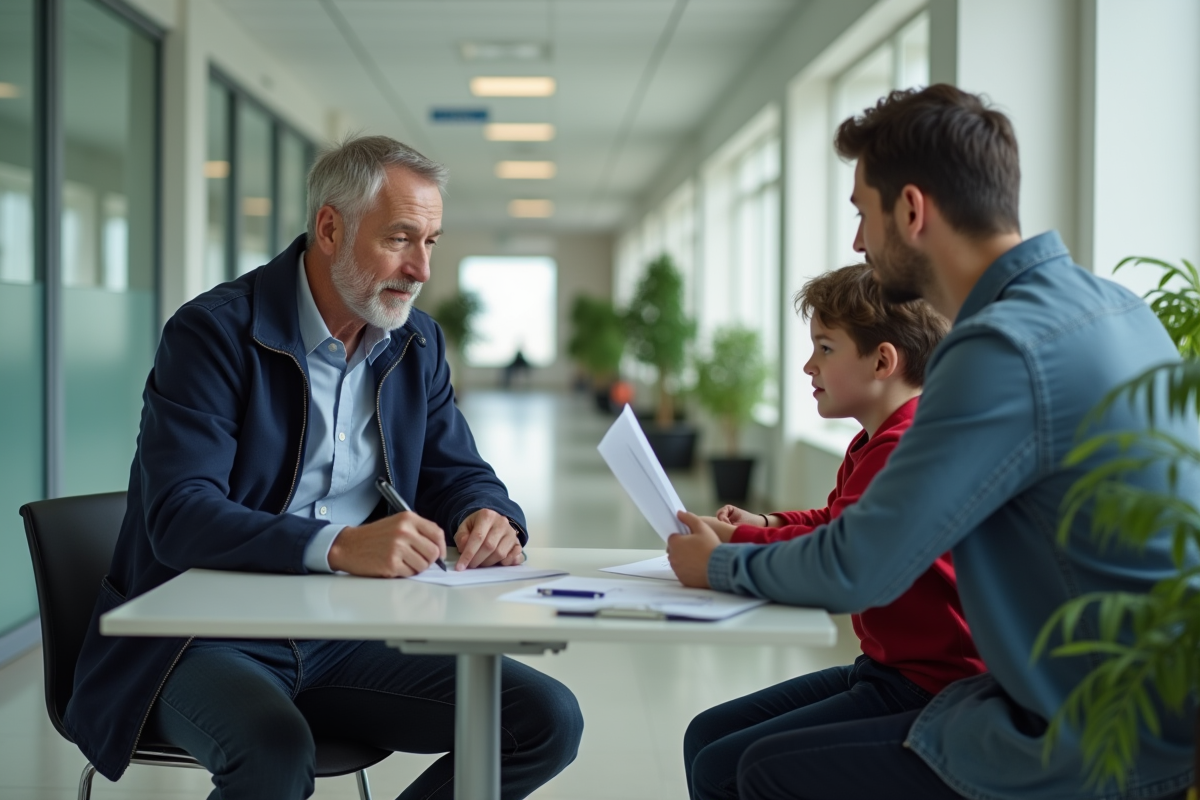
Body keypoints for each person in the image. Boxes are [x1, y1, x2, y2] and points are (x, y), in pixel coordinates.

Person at [667, 84, 1197, 799]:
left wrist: (720, 566)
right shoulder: (1115, 306)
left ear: (912, 210)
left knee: (762, 774)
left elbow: (859, 565)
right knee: (727, 754)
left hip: (1091, 736)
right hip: (1144, 705)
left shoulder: (1002, 348)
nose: (857, 242)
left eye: (862, 213)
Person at [66, 135, 583, 800]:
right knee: (275, 753)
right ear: (331, 228)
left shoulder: (417, 343)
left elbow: (457, 471)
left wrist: (487, 513)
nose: (421, 269)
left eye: (431, 242)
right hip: (200, 636)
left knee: (545, 719)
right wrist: (337, 546)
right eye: (400, 238)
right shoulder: (213, 333)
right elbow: (179, 514)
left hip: (345, 630)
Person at [682, 263, 984, 800]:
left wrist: (721, 559)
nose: (808, 365)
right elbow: (836, 523)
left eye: (825, 348)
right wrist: (766, 523)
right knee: (707, 735)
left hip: (929, 689)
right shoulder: (874, 440)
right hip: (885, 671)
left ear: (883, 361)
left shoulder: (906, 446)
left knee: (726, 768)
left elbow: (837, 556)